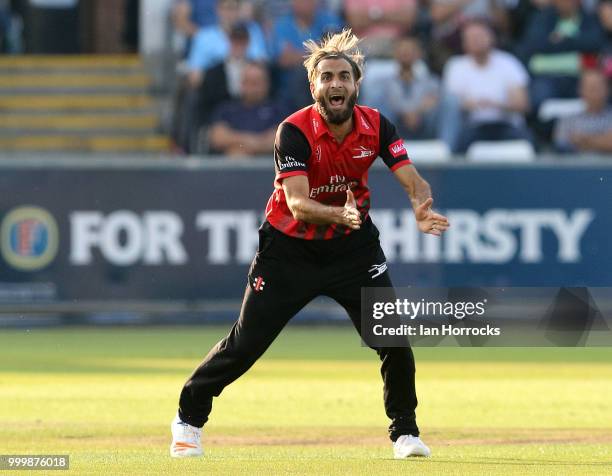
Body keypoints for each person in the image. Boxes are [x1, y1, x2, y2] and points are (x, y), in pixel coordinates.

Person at [170, 29, 449, 459]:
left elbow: (410, 175)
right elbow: (298, 204)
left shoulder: (376, 125)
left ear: (356, 84)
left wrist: (419, 204)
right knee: (245, 344)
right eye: (327, 77)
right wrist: (341, 214)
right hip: (289, 249)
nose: (336, 84)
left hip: (352, 250)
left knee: (392, 337)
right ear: (313, 86)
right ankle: (188, 419)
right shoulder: (293, 130)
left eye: (344, 76)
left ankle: (406, 434)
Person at [441, 20, 531, 152]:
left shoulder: (509, 63)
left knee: (527, 141)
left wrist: (497, 105)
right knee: (458, 144)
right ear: (464, 43)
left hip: (505, 125)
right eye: (471, 38)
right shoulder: (456, 66)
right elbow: (450, 105)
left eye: (480, 36)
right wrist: (469, 105)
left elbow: (523, 104)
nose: (476, 41)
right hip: (472, 126)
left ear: (491, 38)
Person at [208, 62, 287, 156]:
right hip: (230, 166)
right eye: (247, 82)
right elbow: (217, 137)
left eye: (256, 83)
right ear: (241, 83)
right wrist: (251, 141)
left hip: (268, 165)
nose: (251, 88)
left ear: (266, 84)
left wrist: (238, 145)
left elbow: (279, 140)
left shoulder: (278, 109)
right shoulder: (226, 109)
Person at [553, 69, 612, 153]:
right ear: (581, 90)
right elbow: (561, 145)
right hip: (575, 165)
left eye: (598, 87)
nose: (594, 93)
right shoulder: (568, 120)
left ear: (607, 89)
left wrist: (585, 140)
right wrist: (602, 140)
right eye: (591, 88)